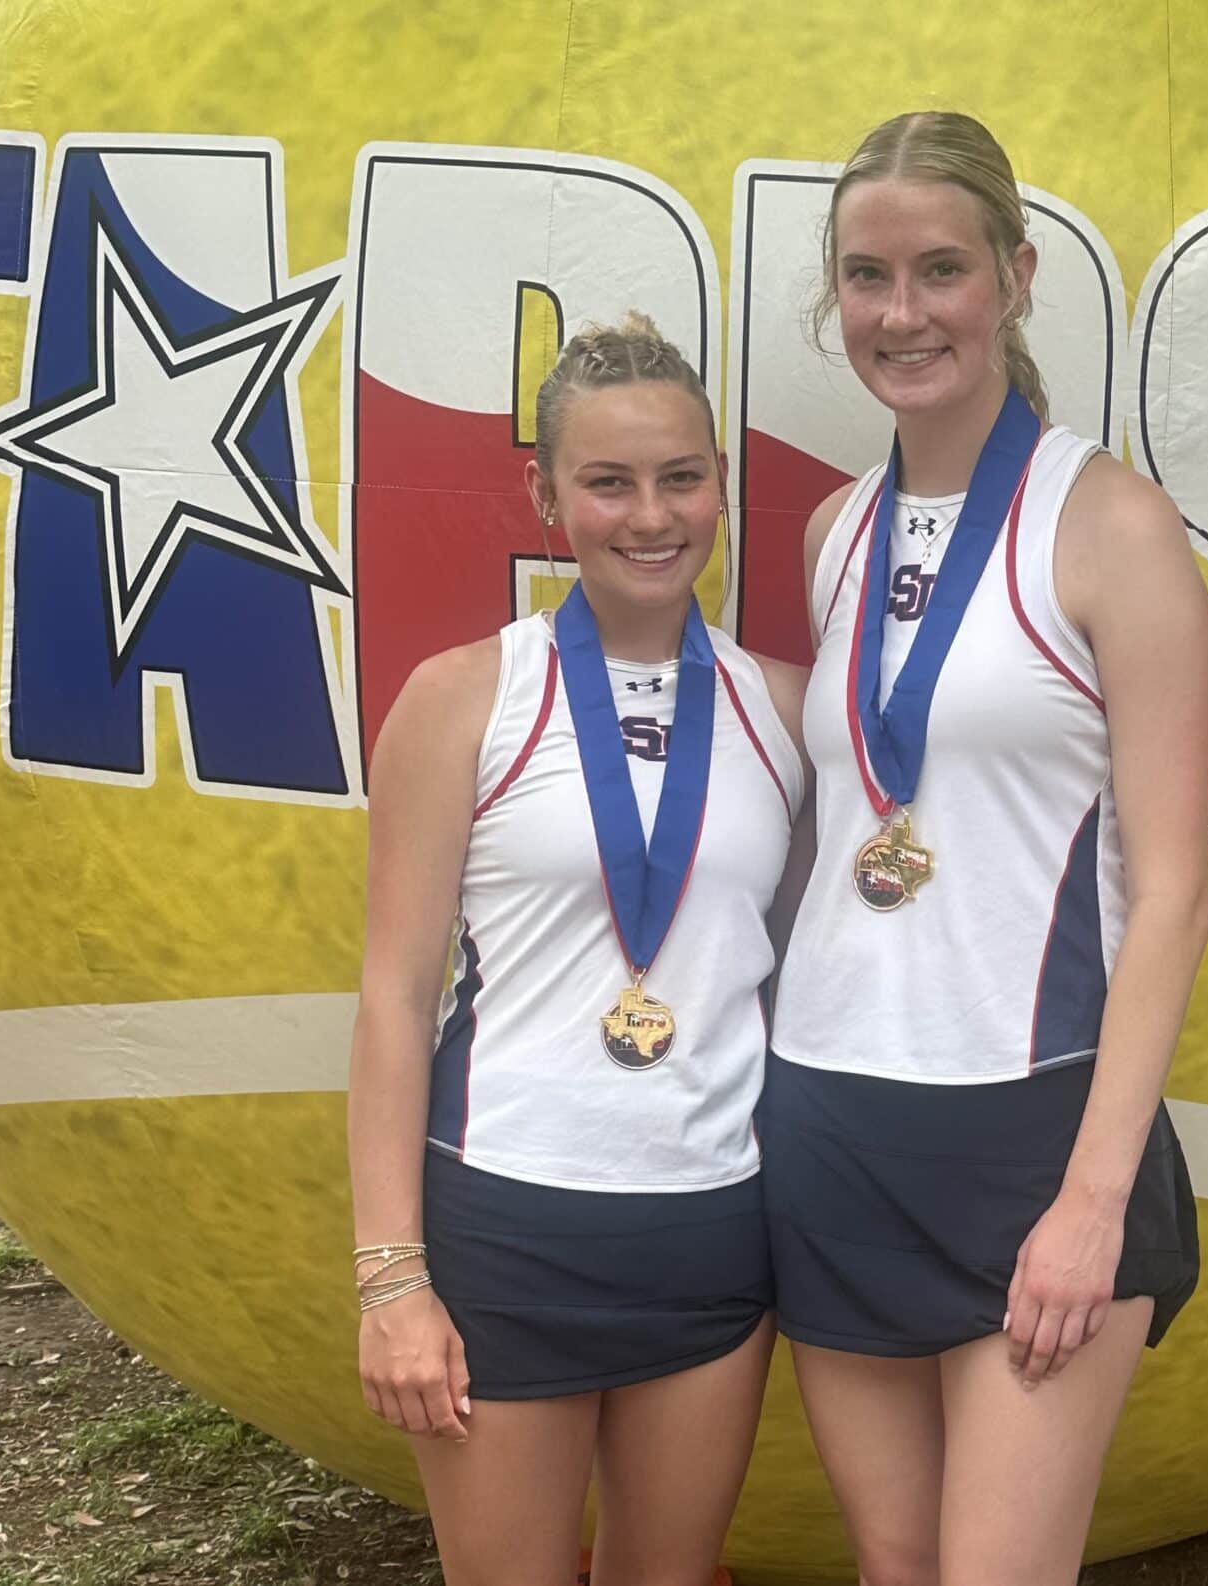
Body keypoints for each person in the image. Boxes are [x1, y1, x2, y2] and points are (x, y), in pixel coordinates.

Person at [763, 111, 1208, 1586]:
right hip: (831, 1117)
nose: (904, 314)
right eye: (869, 277)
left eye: (942, 268)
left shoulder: (1114, 528)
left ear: (1015, 278)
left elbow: (1172, 894)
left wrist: (1091, 1203)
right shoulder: (833, 532)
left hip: (1035, 1133)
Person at [346, 315, 806, 1586]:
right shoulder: (461, 695)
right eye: (607, 481)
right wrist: (391, 1277)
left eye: (680, 476)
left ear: (721, 480)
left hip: (715, 1228)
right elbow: (394, 993)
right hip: (505, 1230)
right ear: (546, 493)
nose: (649, 515)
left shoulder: (784, 710)